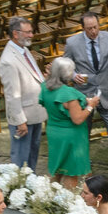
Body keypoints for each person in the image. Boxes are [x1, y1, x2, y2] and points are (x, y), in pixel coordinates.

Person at [62, 13, 108, 178]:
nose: (94, 31)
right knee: (83, 133)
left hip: (107, 94)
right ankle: (83, 166)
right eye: (89, 29)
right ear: (83, 28)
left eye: (96, 27)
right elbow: (64, 66)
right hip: (84, 96)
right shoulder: (72, 43)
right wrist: (73, 76)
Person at [40, 55, 98, 185]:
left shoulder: (45, 86)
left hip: (54, 132)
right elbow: (77, 119)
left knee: (57, 169)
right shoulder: (68, 93)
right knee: (71, 172)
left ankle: (50, 198)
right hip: (71, 137)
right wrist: (91, 106)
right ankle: (66, 202)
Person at [0, 13, 46, 170]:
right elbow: (12, 95)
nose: (32, 35)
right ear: (15, 33)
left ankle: (30, 187)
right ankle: (17, 189)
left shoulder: (23, 50)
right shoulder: (8, 61)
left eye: (31, 31)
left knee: (32, 156)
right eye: (28, 32)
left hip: (35, 113)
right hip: (23, 118)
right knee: (20, 160)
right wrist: (20, 121)